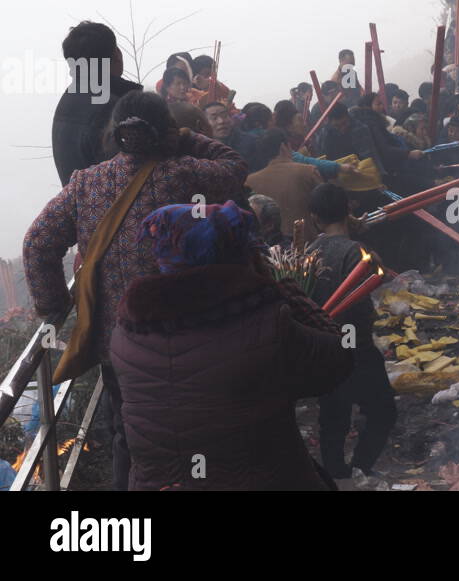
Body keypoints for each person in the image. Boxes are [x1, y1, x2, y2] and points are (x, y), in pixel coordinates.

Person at [23, 90, 248, 490]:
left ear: (115, 132)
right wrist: (187, 136)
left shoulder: (86, 182)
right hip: (188, 336)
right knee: (198, 431)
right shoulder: (185, 173)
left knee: (129, 434)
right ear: (166, 129)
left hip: (120, 345)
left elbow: (38, 243)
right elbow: (235, 166)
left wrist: (55, 306)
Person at [110, 201, 352, 490]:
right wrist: (286, 291)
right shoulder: (266, 322)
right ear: (241, 254)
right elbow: (338, 360)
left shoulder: (126, 332)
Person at [307, 184, 396, 480]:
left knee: (333, 414)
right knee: (382, 409)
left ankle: (336, 473)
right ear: (348, 209)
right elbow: (360, 299)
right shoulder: (355, 252)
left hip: (323, 346)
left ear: (314, 218)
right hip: (355, 345)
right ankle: (360, 465)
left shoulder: (309, 251)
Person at [52, 21, 143, 186]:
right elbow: (133, 173)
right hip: (115, 209)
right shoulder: (112, 107)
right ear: (117, 55)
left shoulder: (68, 99)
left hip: (79, 207)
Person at [246, 129, 323, 240]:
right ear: (284, 146)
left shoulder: (250, 181)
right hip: (309, 247)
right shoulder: (308, 172)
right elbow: (326, 210)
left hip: (271, 251)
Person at [205, 102, 263, 172]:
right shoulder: (201, 147)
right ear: (205, 123)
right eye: (214, 118)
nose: (221, 121)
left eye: (225, 116)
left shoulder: (251, 142)